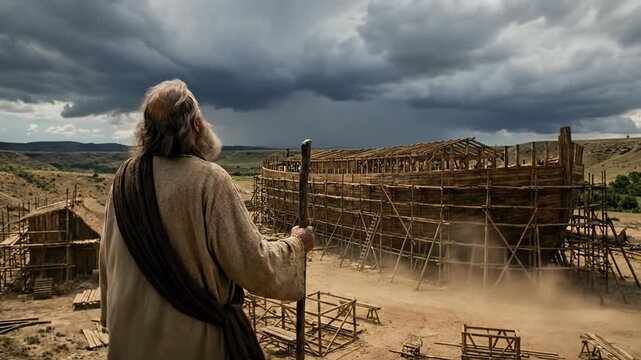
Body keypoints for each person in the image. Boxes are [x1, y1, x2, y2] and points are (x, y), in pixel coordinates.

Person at [99, 79, 314, 360]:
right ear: (194, 126)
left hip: (129, 339)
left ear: (146, 130)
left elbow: (106, 259)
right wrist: (296, 244)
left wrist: (109, 316)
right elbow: (255, 264)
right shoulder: (209, 180)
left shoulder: (124, 178)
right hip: (190, 342)